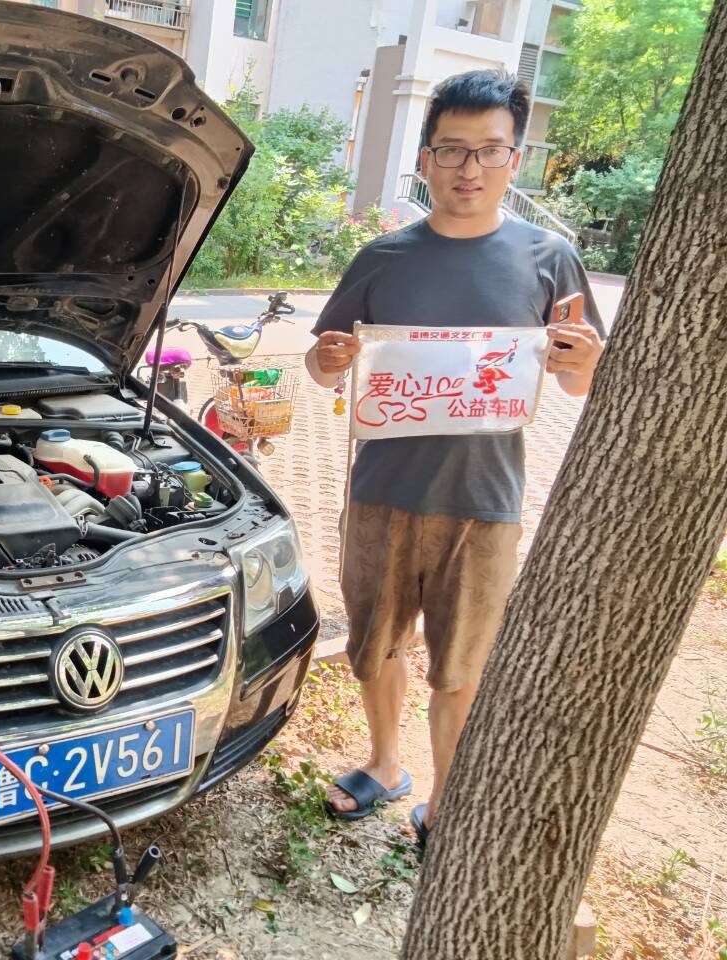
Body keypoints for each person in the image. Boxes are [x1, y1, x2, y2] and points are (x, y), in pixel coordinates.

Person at [305, 70, 607, 846]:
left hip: (484, 502)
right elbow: (324, 364)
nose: (469, 168)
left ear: (514, 159)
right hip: (380, 493)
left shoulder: (550, 259)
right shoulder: (382, 257)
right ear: (426, 159)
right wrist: (328, 361)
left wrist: (585, 362)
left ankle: (446, 800)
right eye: (452, 149)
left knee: (461, 665)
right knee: (373, 645)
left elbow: (579, 381)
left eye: (489, 150)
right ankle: (383, 763)